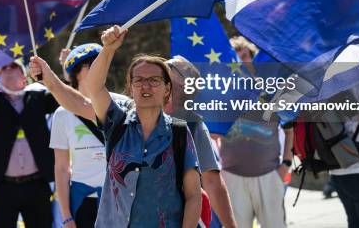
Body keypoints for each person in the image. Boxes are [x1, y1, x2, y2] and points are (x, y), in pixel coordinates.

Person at [87, 25, 202, 227]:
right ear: (130, 87)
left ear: (167, 89)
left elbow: (193, 195)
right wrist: (108, 49)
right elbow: (94, 87)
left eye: (154, 80)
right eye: (138, 80)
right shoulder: (116, 123)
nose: (145, 86)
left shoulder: (179, 132)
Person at [217, 36, 293, 228]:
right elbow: (212, 134)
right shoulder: (222, 93)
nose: (241, 61)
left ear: (252, 57)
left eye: (245, 56)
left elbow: (290, 128)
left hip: (269, 174)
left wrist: (286, 164)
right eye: (236, 57)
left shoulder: (272, 90)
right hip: (232, 177)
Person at [0, 60, 59, 228]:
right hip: (2, 188)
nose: (9, 69)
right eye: (4, 67)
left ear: (24, 75)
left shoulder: (39, 98)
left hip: (36, 186)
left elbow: (61, 96)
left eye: (14, 66)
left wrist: (61, 69)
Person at [50, 43, 128, 228]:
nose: (98, 66)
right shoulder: (61, 114)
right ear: (76, 72)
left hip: (120, 199)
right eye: (91, 63)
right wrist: (67, 216)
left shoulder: (124, 104)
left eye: (100, 61)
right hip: (84, 201)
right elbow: (61, 168)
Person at [165, 56, 237, 228]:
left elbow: (212, 181)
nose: (160, 69)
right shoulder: (136, 113)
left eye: (167, 67)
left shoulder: (193, 125)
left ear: (183, 84)